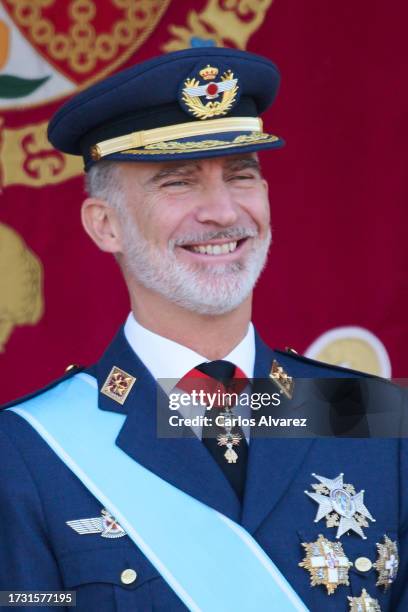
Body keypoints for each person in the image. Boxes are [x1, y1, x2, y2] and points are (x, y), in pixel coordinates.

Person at [0, 47, 406, 612]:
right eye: (178, 183)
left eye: (242, 175)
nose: (221, 211)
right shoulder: (26, 452)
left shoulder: (375, 418)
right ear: (105, 224)